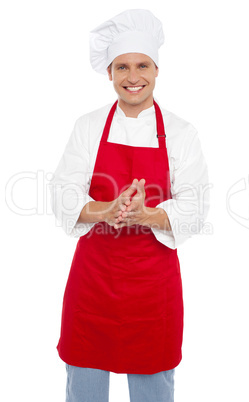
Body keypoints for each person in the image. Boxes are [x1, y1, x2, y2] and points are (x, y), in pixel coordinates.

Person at [49, 9, 210, 402]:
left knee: (153, 389)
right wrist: (107, 210)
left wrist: (146, 214)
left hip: (153, 291)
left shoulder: (181, 133)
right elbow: (62, 193)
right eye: (122, 67)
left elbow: (196, 204)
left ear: (157, 70)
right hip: (93, 286)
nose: (132, 76)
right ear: (109, 73)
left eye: (142, 65)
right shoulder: (88, 126)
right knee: (84, 386)